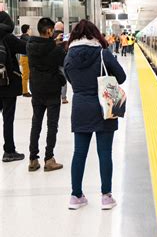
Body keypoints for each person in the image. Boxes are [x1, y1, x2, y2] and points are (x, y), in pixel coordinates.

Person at [64, 20, 126, 210]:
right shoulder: (102, 53)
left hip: (80, 107)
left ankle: (76, 196)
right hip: (104, 107)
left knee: (79, 153)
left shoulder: (68, 56)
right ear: (95, 34)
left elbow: (69, 79)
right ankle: (106, 197)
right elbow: (121, 77)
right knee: (105, 152)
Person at [27, 17, 66, 172]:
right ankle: (49, 159)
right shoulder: (55, 49)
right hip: (51, 90)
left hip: (36, 89)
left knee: (36, 124)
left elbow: (42, 51)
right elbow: (63, 62)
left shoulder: (30, 46)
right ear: (49, 31)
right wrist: (59, 46)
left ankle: (32, 159)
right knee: (52, 125)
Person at [0, 11, 27, 162]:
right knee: (8, 119)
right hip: (8, 84)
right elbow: (27, 48)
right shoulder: (8, 38)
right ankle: (9, 151)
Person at [53, 21, 69, 104]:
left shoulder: (50, 37)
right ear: (62, 28)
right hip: (62, 61)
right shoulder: (65, 37)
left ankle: (56, 96)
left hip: (53, 62)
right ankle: (63, 97)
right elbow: (67, 48)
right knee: (63, 80)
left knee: (54, 79)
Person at [19, 24, 32, 97]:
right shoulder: (26, 37)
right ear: (27, 30)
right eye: (30, 29)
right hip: (25, 58)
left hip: (25, 58)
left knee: (26, 75)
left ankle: (25, 90)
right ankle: (24, 91)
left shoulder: (24, 37)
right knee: (25, 75)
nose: (31, 30)